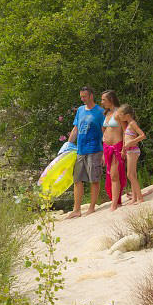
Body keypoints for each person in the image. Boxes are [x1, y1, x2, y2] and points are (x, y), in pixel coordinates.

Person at [65, 86, 104, 218]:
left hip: (94, 150)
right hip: (80, 150)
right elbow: (75, 129)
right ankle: (77, 210)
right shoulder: (80, 110)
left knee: (94, 179)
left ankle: (92, 207)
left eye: (84, 96)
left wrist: (105, 151)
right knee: (77, 179)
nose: (82, 99)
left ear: (91, 96)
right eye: (81, 96)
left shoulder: (100, 112)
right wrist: (68, 144)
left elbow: (105, 132)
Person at [100, 90, 127, 211]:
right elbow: (105, 130)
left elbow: (125, 131)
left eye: (104, 100)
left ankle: (114, 204)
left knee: (115, 175)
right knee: (110, 175)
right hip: (107, 147)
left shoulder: (119, 112)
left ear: (111, 100)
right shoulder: (107, 113)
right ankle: (115, 201)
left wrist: (124, 148)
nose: (102, 102)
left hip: (117, 146)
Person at [118, 104, 146, 204]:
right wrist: (124, 149)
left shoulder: (133, 124)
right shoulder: (128, 124)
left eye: (121, 114)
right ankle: (134, 198)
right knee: (133, 175)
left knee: (130, 175)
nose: (120, 117)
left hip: (133, 151)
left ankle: (140, 198)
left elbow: (142, 135)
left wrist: (131, 142)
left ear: (127, 115)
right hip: (130, 151)